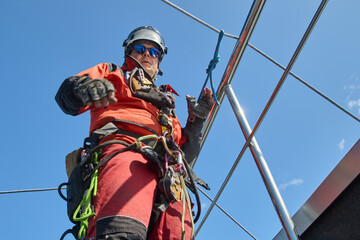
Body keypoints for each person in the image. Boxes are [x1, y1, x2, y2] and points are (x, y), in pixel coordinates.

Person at [56, 26, 213, 240]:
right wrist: (82, 89)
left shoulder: (166, 102)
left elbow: (186, 157)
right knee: (121, 232)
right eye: (140, 48)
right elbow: (66, 97)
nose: (147, 54)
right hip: (126, 151)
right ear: (129, 52)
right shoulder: (113, 73)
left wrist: (196, 122)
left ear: (159, 61)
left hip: (171, 177)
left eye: (154, 52)